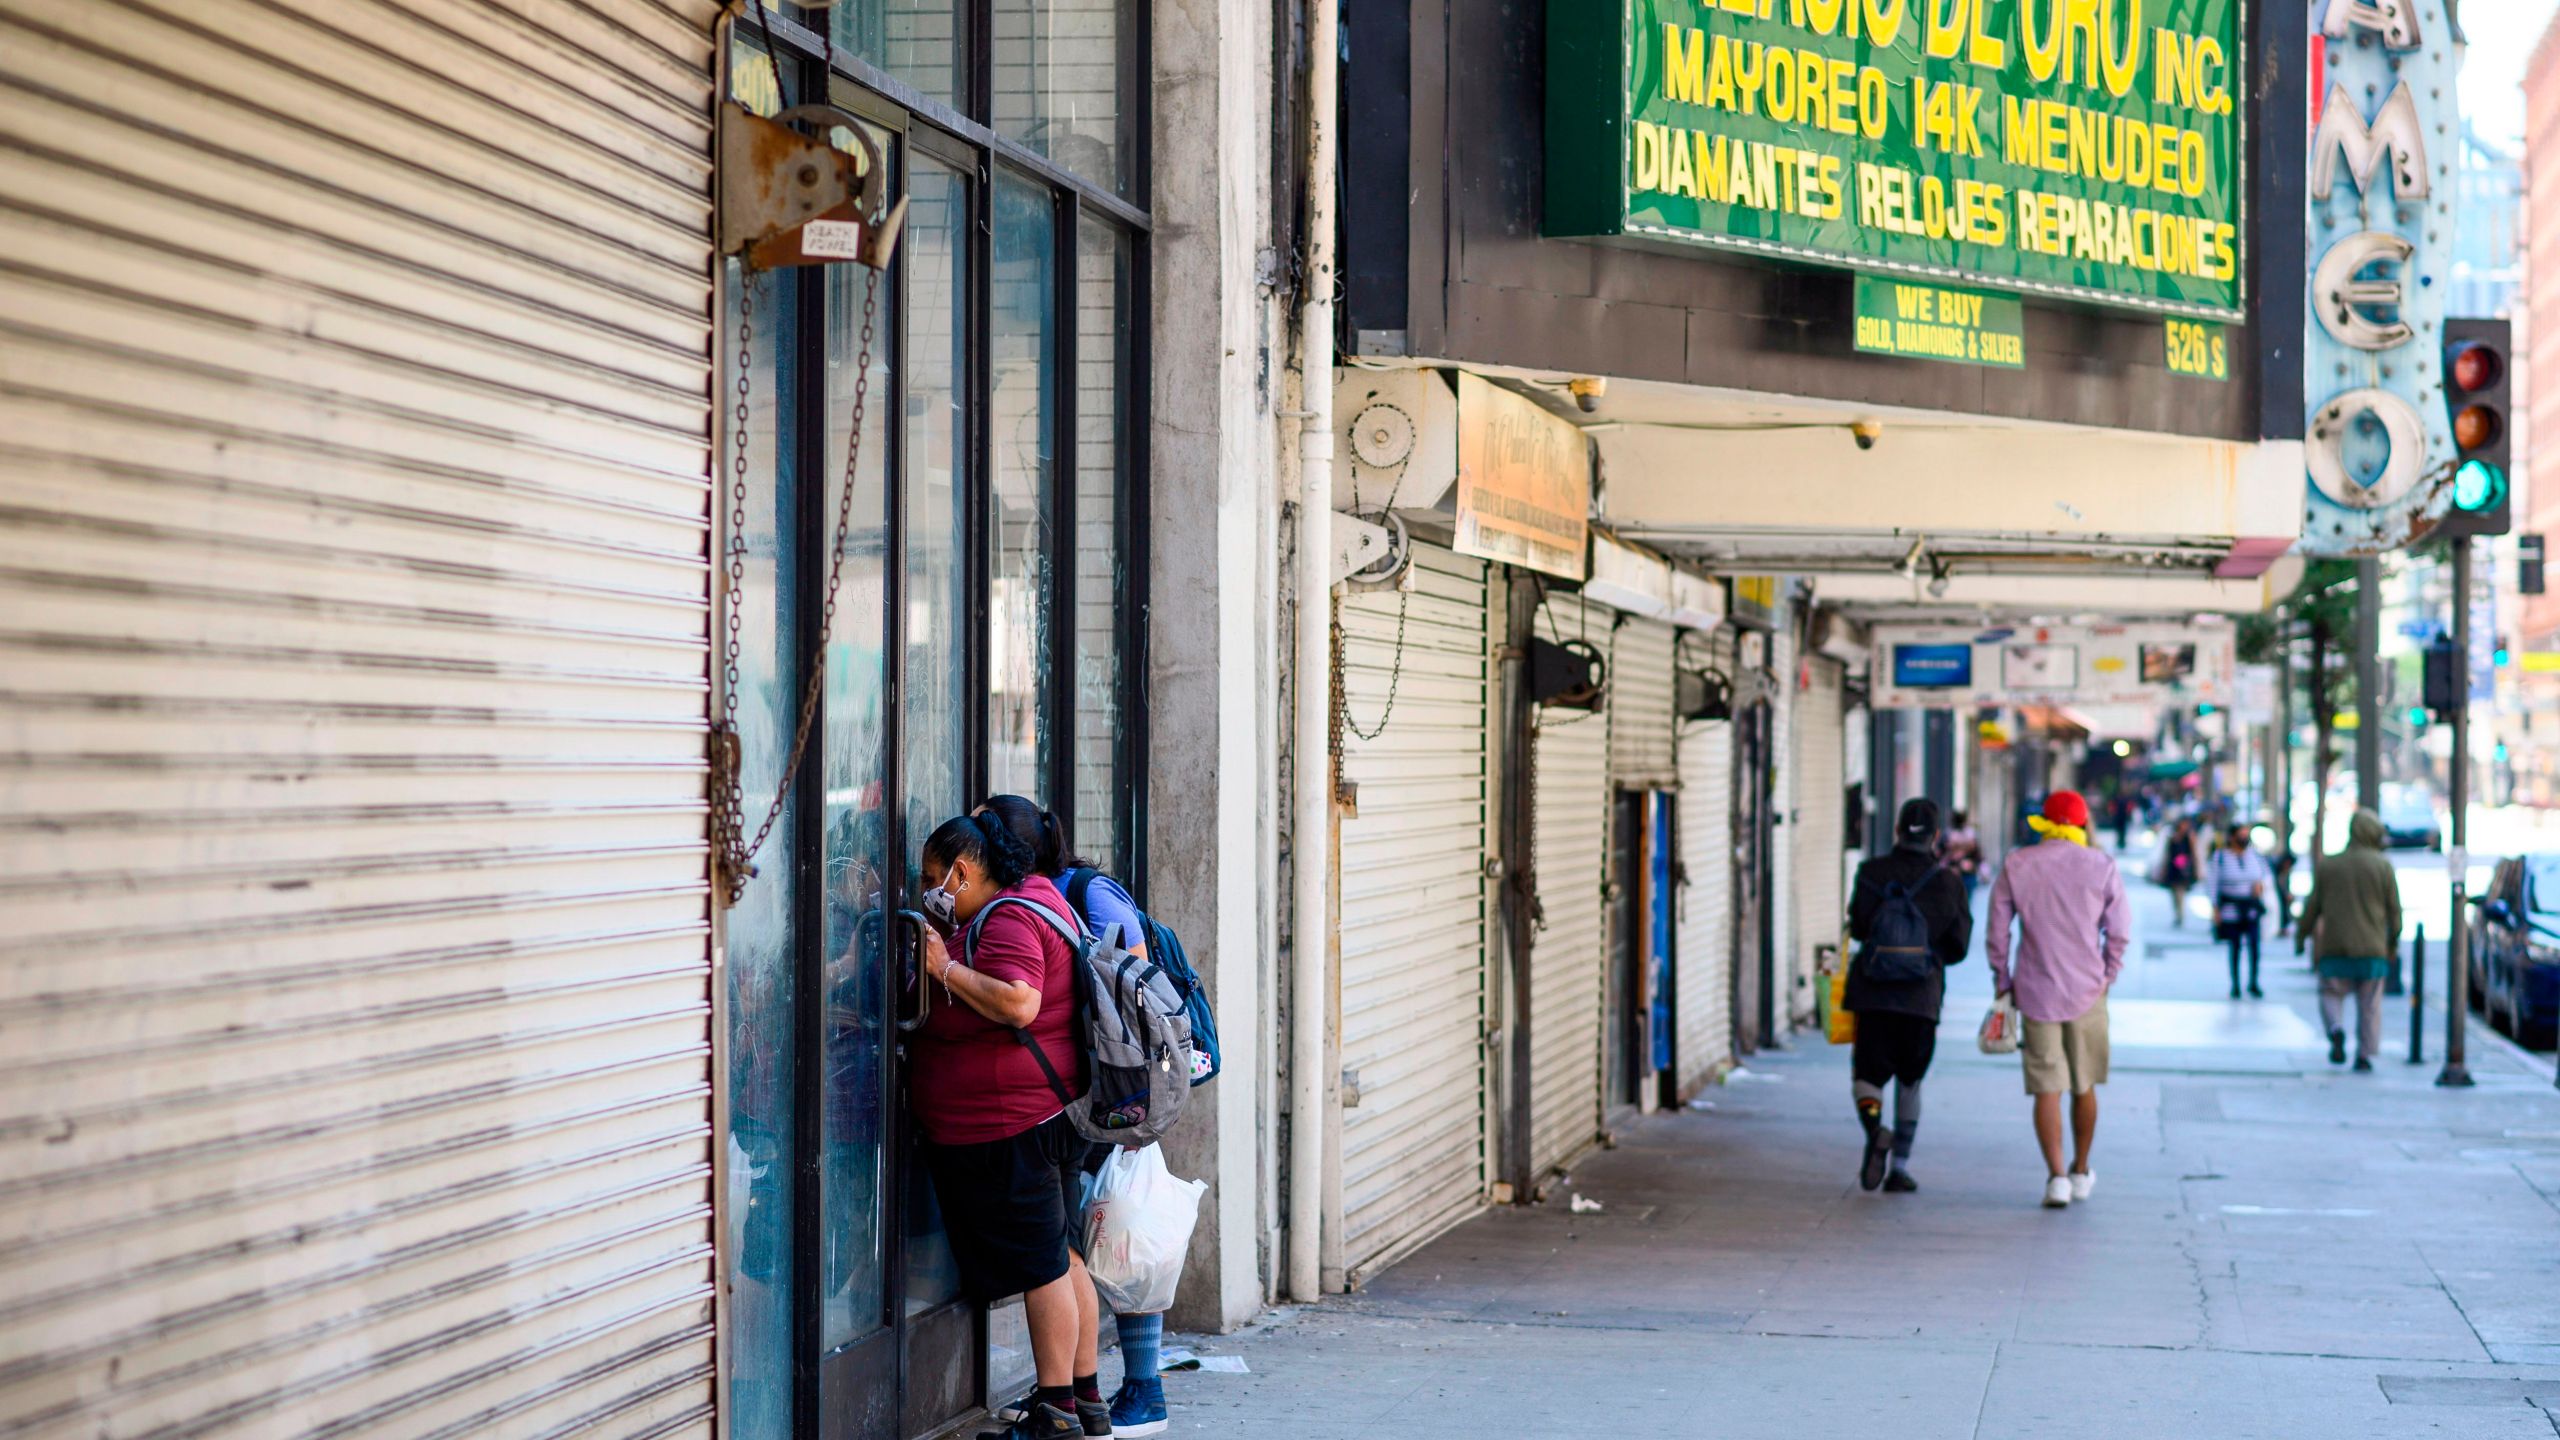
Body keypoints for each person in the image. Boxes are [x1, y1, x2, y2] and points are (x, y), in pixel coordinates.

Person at [909, 813, 1111, 1440]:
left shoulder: (1006, 918)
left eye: (932, 878)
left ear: (962, 873)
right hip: (1045, 1114)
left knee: (1041, 1267)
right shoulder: (1037, 896)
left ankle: (1054, 1413)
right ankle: (1083, 1399)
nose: (928, 889)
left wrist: (942, 967)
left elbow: (1019, 998)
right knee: (1062, 1254)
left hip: (1012, 1125)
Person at [978, 794, 1174, 1437]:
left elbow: (1137, 990)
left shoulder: (1079, 892)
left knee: (1107, 1227)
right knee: (1081, 1240)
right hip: (1077, 1089)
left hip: (1107, 1088)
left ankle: (1134, 1387)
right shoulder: (1044, 892)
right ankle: (1084, 1396)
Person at [1985, 791, 2130, 1210]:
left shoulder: (2019, 863)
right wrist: (2107, 976)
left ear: (2044, 821)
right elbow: (2119, 932)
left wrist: (2003, 979)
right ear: (2083, 824)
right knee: (2083, 1084)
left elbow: (1998, 931)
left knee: (2046, 1088)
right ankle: (2081, 1170)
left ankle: (2056, 1178)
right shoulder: (2102, 866)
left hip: (2035, 990)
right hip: (2088, 991)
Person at [1844, 799, 1974, 1193]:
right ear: (1936, 837)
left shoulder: (1870, 872)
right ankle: (1899, 1167)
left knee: (1867, 1077)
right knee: (1910, 1081)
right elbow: (1959, 946)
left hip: (1873, 992)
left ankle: (1874, 1129)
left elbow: (1859, 928)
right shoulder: (1948, 882)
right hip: (1921, 997)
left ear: (1897, 830)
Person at [2294, 808, 2403, 1072]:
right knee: (2369, 1004)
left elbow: (2313, 906)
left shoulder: (2329, 865)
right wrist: (2392, 944)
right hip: (2372, 949)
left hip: (2335, 945)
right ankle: (2365, 1054)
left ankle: (2335, 1028)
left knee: (2330, 992)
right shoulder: (2383, 866)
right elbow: (2394, 911)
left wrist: (2301, 936)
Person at [2208, 825, 2274, 999]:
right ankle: (2235, 984)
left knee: (2254, 946)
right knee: (2235, 946)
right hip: (2230, 909)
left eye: (2246, 835)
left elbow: (2266, 877)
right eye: (2240, 835)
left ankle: (2253, 981)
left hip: (2251, 908)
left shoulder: (2256, 857)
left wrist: (2260, 887)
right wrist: (2215, 909)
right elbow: (2212, 884)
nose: (2244, 838)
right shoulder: (2220, 857)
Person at [2157, 818, 2199, 927]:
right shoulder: (2172, 838)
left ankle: (2180, 915)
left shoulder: (2189, 838)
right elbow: (2167, 854)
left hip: (2184, 869)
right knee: (2174, 893)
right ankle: (2177, 913)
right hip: (2173, 869)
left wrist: (2196, 868)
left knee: (2180, 893)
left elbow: (2193, 854)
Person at [1941, 808, 1983, 902]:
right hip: (1957, 874)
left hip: (1964, 875)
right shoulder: (1950, 835)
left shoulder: (1948, 835)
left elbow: (1978, 856)